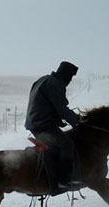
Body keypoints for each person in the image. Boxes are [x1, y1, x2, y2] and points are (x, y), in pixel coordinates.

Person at [25, 61, 82, 194]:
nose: (70, 80)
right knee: (67, 145)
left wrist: (59, 120)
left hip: (36, 122)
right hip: (42, 125)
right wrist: (77, 120)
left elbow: (46, 105)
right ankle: (63, 181)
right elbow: (61, 108)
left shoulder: (44, 80)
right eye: (71, 77)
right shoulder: (56, 84)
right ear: (66, 74)